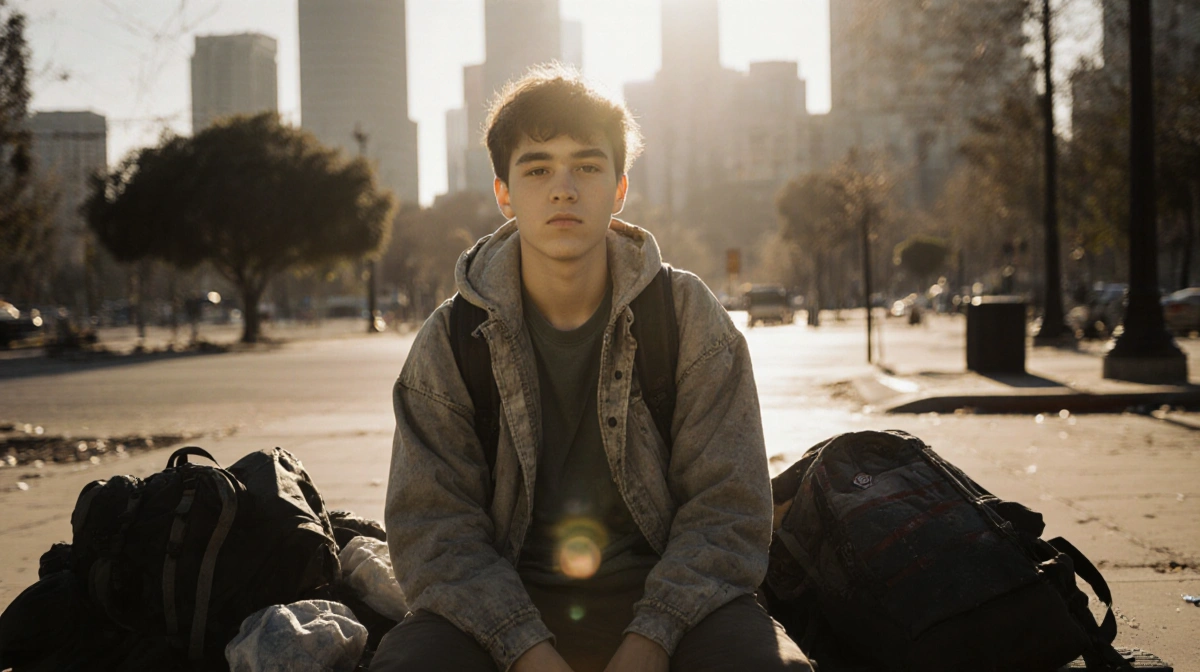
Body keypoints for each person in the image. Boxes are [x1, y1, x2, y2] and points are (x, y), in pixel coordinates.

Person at [373, 64, 811, 672]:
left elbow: (728, 509)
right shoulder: (450, 341)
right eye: (537, 168)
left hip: (678, 603)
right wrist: (523, 647)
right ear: (504, 192)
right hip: (495, 610)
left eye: (586, 165)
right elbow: (434, 532)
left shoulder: (685, 317)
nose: (563, 188)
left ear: (619, 188)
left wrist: (653, 637)